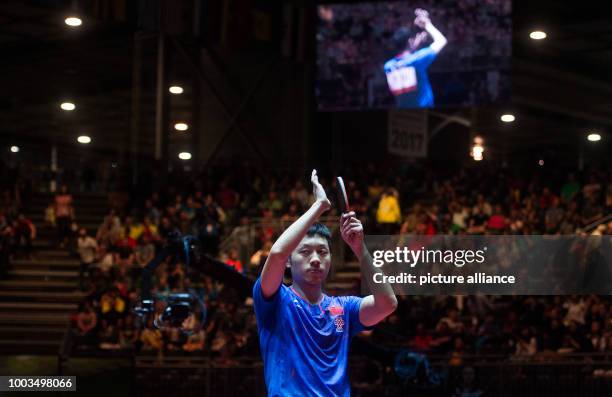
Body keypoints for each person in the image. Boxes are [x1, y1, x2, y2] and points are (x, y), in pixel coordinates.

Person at [253, 170, 397, 396]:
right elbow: (278, 253)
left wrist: (360, 249)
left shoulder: (343, 308)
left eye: (322, 252)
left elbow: (387, 303)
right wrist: (319, 206)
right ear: (289, 262)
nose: (315, 259)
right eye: (305, 252)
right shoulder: (276, 299)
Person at [384, 8, 447, 108]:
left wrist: (413, 46)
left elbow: (405, 61)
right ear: (409, 41)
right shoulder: (417, 60)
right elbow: (441, 41)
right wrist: (427, 24)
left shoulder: (388, 66)